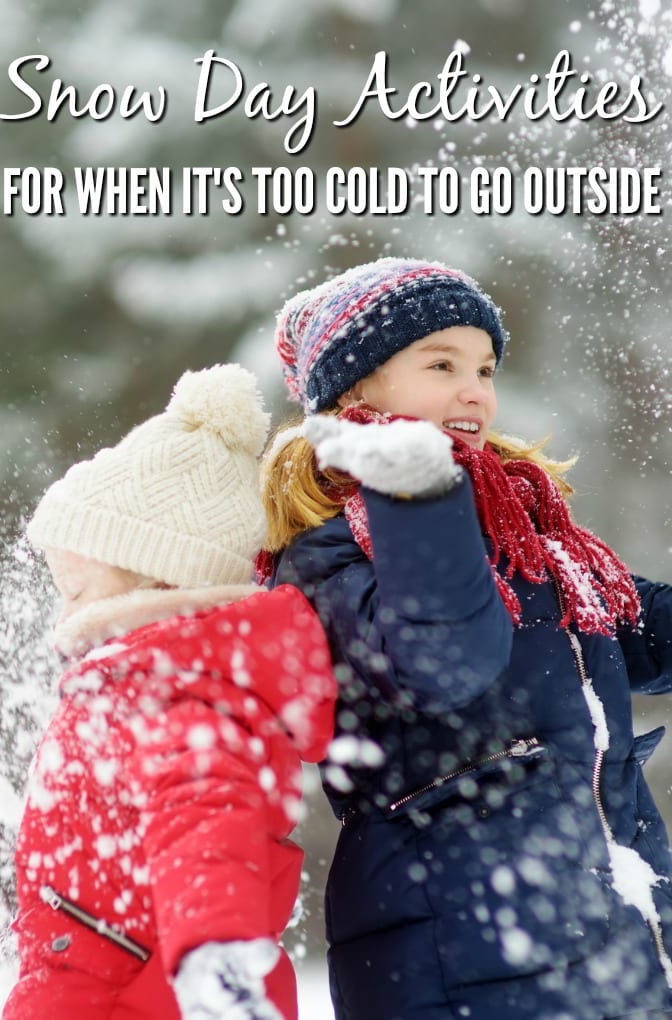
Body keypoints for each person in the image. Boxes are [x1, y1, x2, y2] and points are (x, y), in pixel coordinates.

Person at [259, 257, 672, 1020]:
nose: (475, 390)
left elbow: (641, 631)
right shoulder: (328, 555)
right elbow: (444, 662)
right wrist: (415, 494)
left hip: (610, 929)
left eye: (484, 369)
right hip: (458, 949)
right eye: (441, 365)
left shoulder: (523, 538)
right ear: (355, 391)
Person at [3, 363, 337, 1020]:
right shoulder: (143, 682)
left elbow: (206, 822)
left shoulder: (178, 694)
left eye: (76, 588)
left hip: (138, 997)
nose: (63, 610)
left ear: (160, 579)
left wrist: (216, 954)